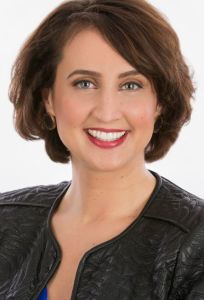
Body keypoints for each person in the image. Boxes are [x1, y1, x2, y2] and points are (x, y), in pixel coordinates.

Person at [0, 0, 204, 299]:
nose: (107, 113)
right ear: (49, 100)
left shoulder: (197, 243)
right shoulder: (5, 221)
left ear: (159, 102)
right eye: (84, 83)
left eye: (131, 85)